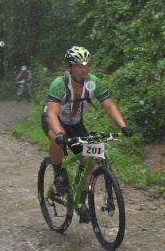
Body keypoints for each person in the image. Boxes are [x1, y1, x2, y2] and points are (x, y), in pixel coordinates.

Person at [43, 47, 132, 221]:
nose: (83, 69)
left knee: (90, 161)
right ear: (70, 67)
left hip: (75, 124)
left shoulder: (94, 83)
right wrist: (60, 133)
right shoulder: (59, 84)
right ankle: (59, 176)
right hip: (53, 120)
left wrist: (123, 126)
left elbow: (109, 106)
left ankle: (80, 202)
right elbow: (52, 114)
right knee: (57, 140)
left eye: (85, 65)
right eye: (78, 66)